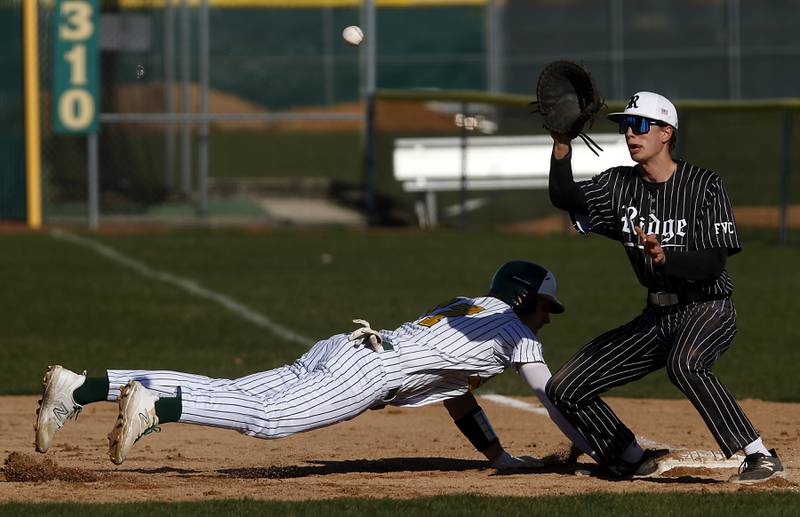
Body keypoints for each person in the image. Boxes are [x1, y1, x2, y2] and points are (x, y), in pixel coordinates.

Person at [34, 260, 598, 468]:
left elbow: (455, 394)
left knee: (234, 390)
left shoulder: (468, 308)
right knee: (266, 419)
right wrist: (598, 446)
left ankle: (81, 387)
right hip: (369, 370)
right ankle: (157, 405)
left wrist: (498, 457)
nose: (549, 317)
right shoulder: (515, 330)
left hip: (348, 347)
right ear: (526, 298)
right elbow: (554, 396)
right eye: (547, 305)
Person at [545, 91, 783, 483]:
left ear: (666, 132)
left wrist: (665, 257)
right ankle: (631, 455)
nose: (629, 134)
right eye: (625, 127)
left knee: (685, 364)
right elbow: (564, 196)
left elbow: (712, 264)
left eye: (639, 125)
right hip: (657, 315)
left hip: (709, 307)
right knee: (566, 385)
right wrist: (561, 144)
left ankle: (759, 455)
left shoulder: (705, 185)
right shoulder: (618, 185)